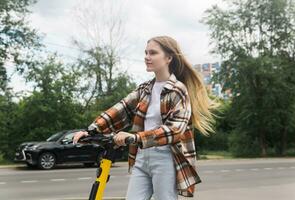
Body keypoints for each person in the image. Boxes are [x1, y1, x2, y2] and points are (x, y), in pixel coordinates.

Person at [73, 35, 218, 199]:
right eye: (146, 53)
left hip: (165, 159)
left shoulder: (178, 90)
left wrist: (135, 137)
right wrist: (92, 130)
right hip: (141, 158)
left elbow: (175, 129)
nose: (147, 57)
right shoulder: (145, 89)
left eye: (153, 53)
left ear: (168, 58)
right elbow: (121, 109)